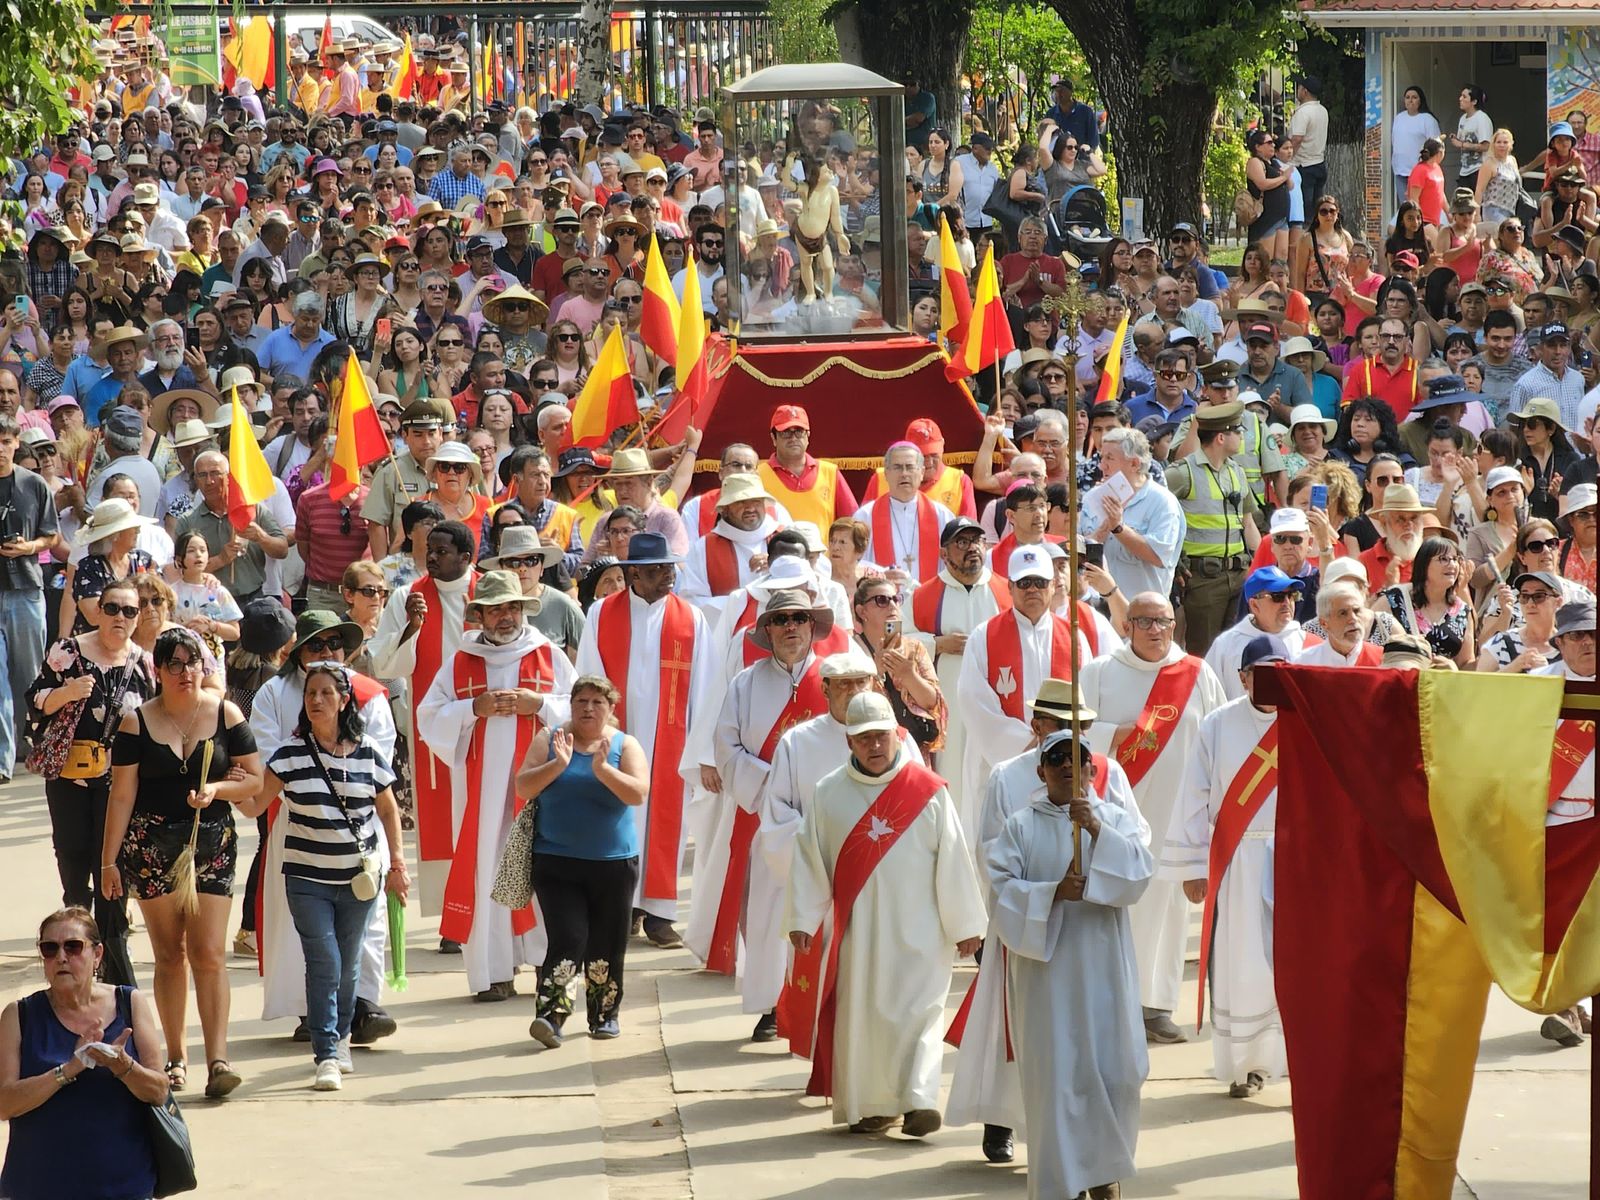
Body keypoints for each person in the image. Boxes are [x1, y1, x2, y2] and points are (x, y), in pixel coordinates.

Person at [784, 691, 985, 1135]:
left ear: (897, 734)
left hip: (922, 932)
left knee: (921, 1016)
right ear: (849, 742)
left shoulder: (928, 792)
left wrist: (967, 925)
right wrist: (802, 918)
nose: (874, 746)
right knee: (867, 1021)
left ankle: (919, 1101)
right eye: (863, 739)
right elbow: (809, 859)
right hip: (859, 934)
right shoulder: (829, 793)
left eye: (881, 736)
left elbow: (953, 859)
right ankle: (876, 1106)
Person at [987, 726, 1153, 1199]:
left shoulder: (1114, 819)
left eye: (1076, 758)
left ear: (1091, 770)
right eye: (1056, 759)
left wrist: (1097, 830)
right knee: (1057, 1078)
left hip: (1104, 968)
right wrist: (1051, 893)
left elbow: (1140, 875)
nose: (1066, 766)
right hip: (1049, 977)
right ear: (1040, 771)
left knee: (1114, 1072)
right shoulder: (1021, 827)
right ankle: (1062, 1182)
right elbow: (1000, 892)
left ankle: (1103, 1173)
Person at [103, 627, 262, 1099]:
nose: (185, 672)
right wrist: (109, 862)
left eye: (192, 662)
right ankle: (176, 1056)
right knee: (170, 954)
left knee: (209, 953)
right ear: (158, 670)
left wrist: (218, 789)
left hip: (210, 843)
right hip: (151, 848)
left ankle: (218, 1059)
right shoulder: (136, 723)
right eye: (173, 664)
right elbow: (121, 795)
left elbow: (255, 781)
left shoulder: (226, 714)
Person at [243, 662, 408, 1091]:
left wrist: (398, 865)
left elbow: (388, 810)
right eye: (310, 694)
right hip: (307, 880)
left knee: (348, 965)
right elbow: (256, 804)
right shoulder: (288, 754)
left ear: (344, 700)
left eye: (325, 693)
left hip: (360, 880)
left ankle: (343, 1038)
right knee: (325, 962)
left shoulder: (367, 751)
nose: (316, 700)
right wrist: (226, 788)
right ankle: (327, 1054)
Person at [417, 571, 575, 1001]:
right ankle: (495, 972)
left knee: (543, 868)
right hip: (481, 796)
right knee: (487, 869)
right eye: (496, 610)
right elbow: (428, 717)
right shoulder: (460, 662)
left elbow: (580, 708)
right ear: (480, 615)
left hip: (539, 788)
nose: (506, 617)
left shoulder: (548, 654)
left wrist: (539, 704)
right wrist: (473, 707)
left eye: (512, 608)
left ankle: (548, 966)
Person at [1079, 592, 1228, 1044]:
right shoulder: (1099, 673)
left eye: (1163, 621)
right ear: (1127, 625)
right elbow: (1075, 733)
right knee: (1115, 908)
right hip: (1113, 817)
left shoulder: (1197, 674)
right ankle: (1109, 1006)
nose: (1155, 630)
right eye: (1144, 621)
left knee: (1168, 913)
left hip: (1178, 815)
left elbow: (1217, 738)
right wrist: (1116, 734)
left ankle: (1155, 1006)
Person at [691, 589, 832, 1023]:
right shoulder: (745, 683)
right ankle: (774, 1003)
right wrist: (775, 786)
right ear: (767, 630)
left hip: (823, 815)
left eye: (799, 618)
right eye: (780, 620)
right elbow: (726, 746)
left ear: (812, 626)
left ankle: (819, 1000)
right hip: (761, 816)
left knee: (821, 908)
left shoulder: (835, 680)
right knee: (764, 910)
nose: (791, 627)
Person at [574, 532, 715, 949]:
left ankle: (659, 913)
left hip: (672, 741)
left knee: (667, 822)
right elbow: (589, 674)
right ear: (633, 573)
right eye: (656, 571)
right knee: (617, 820)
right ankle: (621, 907)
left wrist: (702, 747)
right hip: (618, 735)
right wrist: (594, 731)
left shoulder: (691, 619)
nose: (668, 577)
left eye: (670, 569)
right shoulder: (602, 614)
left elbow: (706, 687)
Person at [25, 578, 157, 990]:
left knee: (111, 869)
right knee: (73, 864)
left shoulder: (144, 664)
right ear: (97, 612)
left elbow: (156, 718)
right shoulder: (67, 652)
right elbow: (34, 702)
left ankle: (115, 963)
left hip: (121, 786)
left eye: (129, 611)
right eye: (112, 608)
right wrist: (66, 693)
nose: (120, 617)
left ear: (138, 618)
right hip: (70, 780)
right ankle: (78, 952)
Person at [1170, 634, 1286, 1099]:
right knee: (1243, 963)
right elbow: (1193, 794)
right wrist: (1192, 866)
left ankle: (1299, 1060)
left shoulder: (1306, 722)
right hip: (1238, 858)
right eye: (1263, 674)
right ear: (1243, 678)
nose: (1273, 683)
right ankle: (1249, 1065)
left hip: (1293, 859)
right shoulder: (1218, 725)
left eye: (1281, 674)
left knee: (1295, 965)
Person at [0, 907, 171, 1200]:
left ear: (97, 954)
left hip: (124, 1186)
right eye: (49, 949)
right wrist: (67, 1070)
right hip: (39, 1187)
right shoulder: (19, 1015)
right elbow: (5, 1104)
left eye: (73, 947)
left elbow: (159, 1091)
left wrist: (123, 1066)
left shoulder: (130, 1003)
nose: (61, 957)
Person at [515, 674, 648, 1046]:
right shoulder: (550, 739)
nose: (588, 709)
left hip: (613, 865)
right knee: (568, 937)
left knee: (607, 943)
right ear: (571, 705)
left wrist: (604, 771)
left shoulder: (624, 744)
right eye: (581, 702)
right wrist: (557, 765)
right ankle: (550, 1016)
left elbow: (638, 793)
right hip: (556, 862)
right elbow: (523, 786)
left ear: (610, 708)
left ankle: (604, 1016)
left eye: (597, 702)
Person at [369, 519, 479, 922]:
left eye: (442, 551)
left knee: (479, 813)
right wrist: (412, 628)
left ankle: (484, 906)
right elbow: (384, 664)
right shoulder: (408, 597)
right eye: (429, 549)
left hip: (481, 722)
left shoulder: (486, 593)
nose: (431, 557)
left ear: (465, 557)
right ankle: (451, 914)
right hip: (434, 726)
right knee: (442, 817)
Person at [956, 546, 1098, 821]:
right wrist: (1028, 747)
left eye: (1039, 582)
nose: (1032, 589)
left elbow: (1087, 698)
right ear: (1010, 587)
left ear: (1053, 585)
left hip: (1061, 762)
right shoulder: (984, 636)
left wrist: (1053, 745)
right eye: (1024, 582)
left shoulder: (1074, 639)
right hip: (998, 760)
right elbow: (972, 699)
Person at [904, 517, 1012, 840]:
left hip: (996, 702)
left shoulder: (1004, 590)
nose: (971, 549)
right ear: (944, 553)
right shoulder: (923, 595)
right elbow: (899, 641)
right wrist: (937, 644)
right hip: (946, 703)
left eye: (976, 541)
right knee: (951, 770)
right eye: (961, 543)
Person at [1165, 402, 1260, 655]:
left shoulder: (1237, 471)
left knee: (1238, 651)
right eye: (1237, 431)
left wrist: (1261, 563)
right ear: (1221, 437)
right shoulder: (1182, 473)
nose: (1241, 436)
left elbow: (1248, 523)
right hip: (1203, 580)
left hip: (1239, 575)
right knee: (1204, 652)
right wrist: (1174, 560)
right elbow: (1157, 514)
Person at [0, 413, 58, 783]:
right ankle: (2, 761)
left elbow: (52, 536)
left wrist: (28, 547)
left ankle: (37, 744)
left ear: (16, 443)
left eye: (6, 442)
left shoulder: (34, 484)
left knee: (29, 678)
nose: (0, 449)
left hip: (25, 588)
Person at [1083, 427, 1186, 601]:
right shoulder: (1092, 498)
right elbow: (1078, 552)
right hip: (1097, 606)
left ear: (1134, 464)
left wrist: (1119, 529)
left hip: (1142, 609)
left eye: (1110, 458)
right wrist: (1102, 531)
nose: (1102, 465)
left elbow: (1159, 556)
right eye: (1102, 457)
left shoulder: (1162, 502)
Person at [677, 473, 784, 619]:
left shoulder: (785, 540)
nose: (750, 508)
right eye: (741, 502)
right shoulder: (704, 548)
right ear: (725, 509)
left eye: (756, 501)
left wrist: (779, 566)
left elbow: (808, 585)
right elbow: (691, 600)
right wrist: (744, 602)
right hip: (727, 630)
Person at [853, 442, 955, 584]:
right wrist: (879, 575)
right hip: (882, 596)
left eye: (910, 467)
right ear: (886, 473)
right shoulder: (865, 516)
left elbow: (953, 563)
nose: (904, 473)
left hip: (932, 595)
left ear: (921, 472)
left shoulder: (942, 516)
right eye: (897, 467)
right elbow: (852, 565)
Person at [1205, 566, 1309, 699]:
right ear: (1254, 605)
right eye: (1277, 597)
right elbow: (1210, 697)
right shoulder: (1225, 645)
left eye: (1291, 595)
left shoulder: (1306, 641)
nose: (1286, 602)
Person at [756, 404, 857, 531]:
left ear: (808, 436)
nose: (793, 438)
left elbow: (852, 522)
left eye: (799, 432)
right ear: (774, 438)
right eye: (786, 432)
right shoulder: (758, 476)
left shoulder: (830, 473)